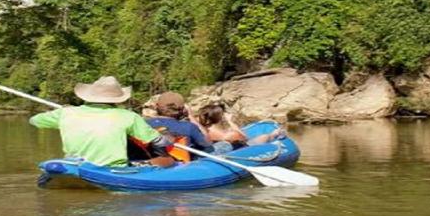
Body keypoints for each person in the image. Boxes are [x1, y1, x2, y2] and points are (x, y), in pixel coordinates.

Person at [29, 76, 171, 167]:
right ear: (117, 99)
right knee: (168, 161)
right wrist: (168, 141)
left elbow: (34, 121)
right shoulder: (128, 116)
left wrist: (62, 111)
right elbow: (159, 142)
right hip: (112, 168)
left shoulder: (66, 113)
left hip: (76, 164)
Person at [145, 92, 229, 157]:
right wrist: (190, 116)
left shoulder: (145, 123)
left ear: (157, 106)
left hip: (158, 157)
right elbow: (208, 144)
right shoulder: (188, 126)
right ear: (183, 109)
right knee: (225, 145)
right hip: (186, 160)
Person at [197, 103, 285, 149]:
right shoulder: (229, 135)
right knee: (264, 136)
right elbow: (245, 138)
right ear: (221, 117)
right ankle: (275, 134)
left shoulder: (203, 130)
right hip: (241, 148)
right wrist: (231, 122)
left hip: (223, 147)